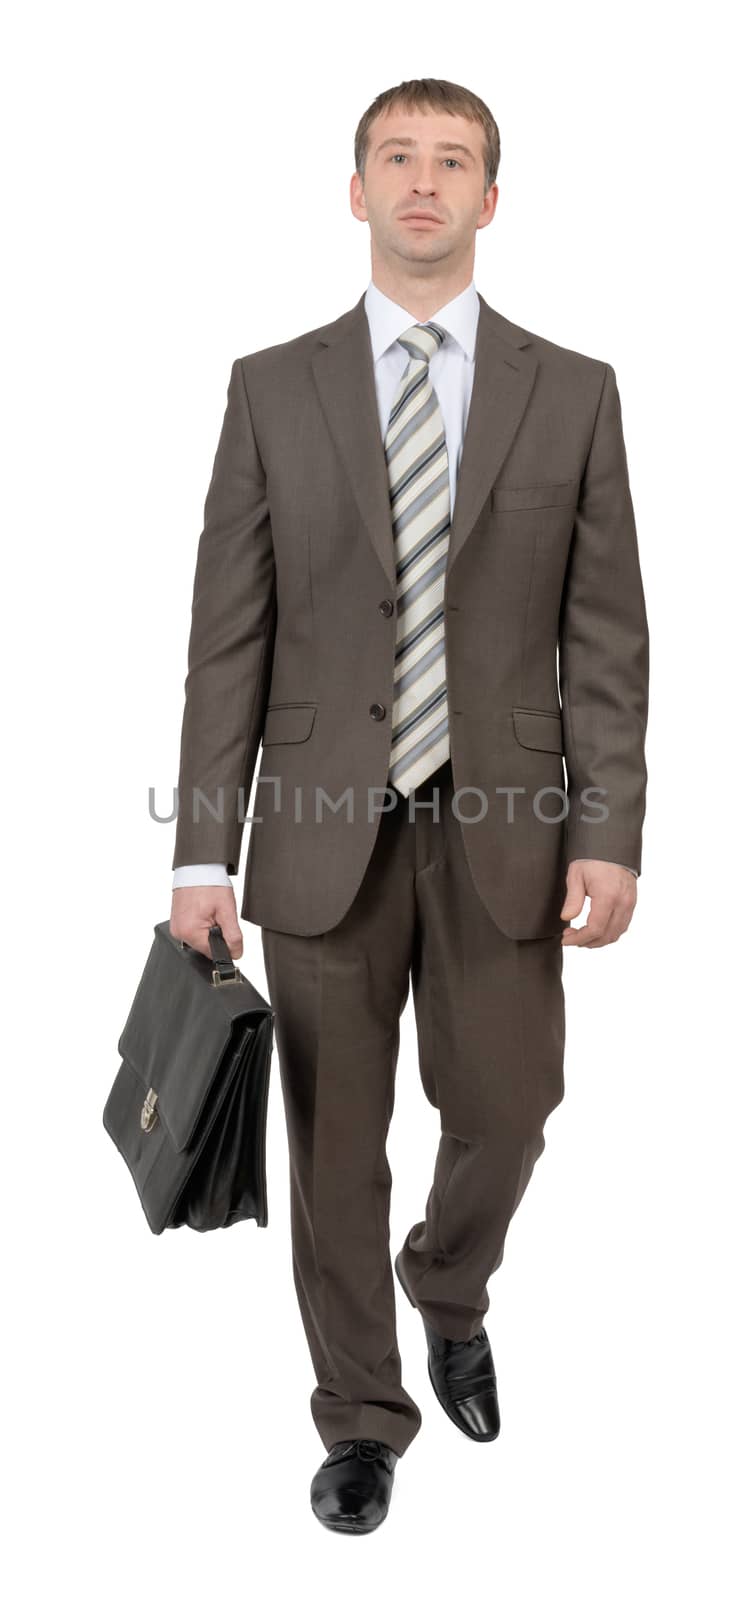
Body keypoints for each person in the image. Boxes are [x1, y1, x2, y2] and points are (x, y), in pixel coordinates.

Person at [169, 77, 649, 1535]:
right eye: (397, 157)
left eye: (453, 162)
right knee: (331, 1148)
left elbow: (607, 632)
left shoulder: (572, 391)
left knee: (510, 1106)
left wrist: (610, 829)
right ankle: (363, 1416)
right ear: (356, 189)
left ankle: (446, 1285)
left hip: (508, 822)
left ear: (490, 199)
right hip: (316, 833)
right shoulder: (271, 384)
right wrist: (203, 844)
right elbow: (228, 633)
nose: (423, 181)